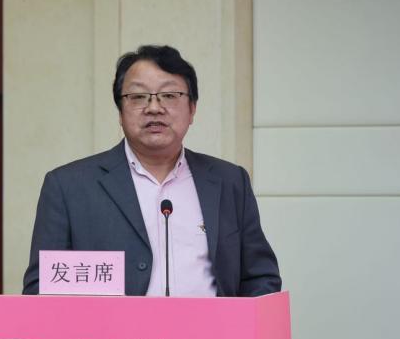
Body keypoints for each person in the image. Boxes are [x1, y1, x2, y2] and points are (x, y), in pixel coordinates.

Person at [23, 45, 280, 297]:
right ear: (120, 112)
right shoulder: (69, 187)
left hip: (213, 327)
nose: (154, 108)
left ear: (192, 109)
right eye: (138, 97)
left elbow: (260, 278)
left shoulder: (230, 181)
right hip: (111, 328)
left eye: (169, 95)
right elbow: (42, 289)